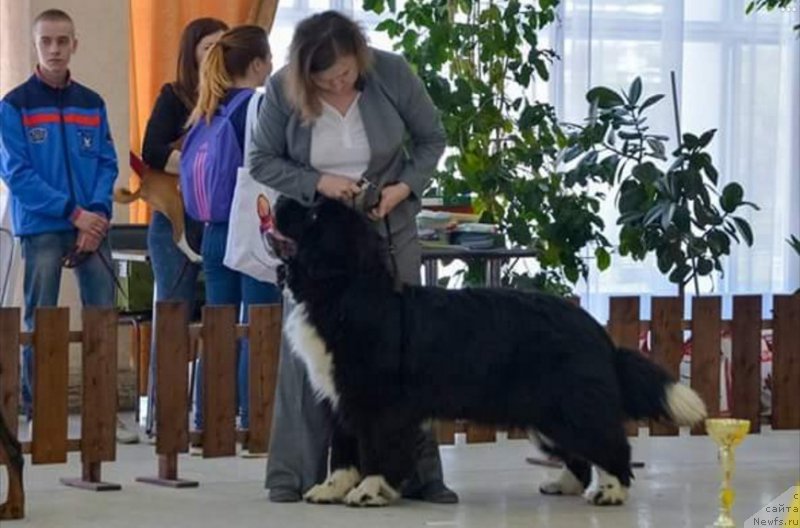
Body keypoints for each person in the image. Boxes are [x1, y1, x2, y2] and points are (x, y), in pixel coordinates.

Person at [250, 11, 458, 503]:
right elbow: (261, 160)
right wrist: (319, 183)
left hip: (389, 231)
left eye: (345, 73)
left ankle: (419, 475)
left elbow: (432, 139)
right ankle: (295, 475)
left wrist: (404, 188)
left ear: (359, 55)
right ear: (305, 75)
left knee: (403, 359)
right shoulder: (282, 91)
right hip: (318, 243)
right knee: (311, 361)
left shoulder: (392, 73)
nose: (339, 83)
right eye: (326, 80)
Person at [0, 9, 137, 443]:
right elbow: (17, 173)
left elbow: (106, 162)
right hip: (43, 225)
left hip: (93, 225)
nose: (55, 49)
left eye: (63, 41)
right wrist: (71, 213)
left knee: (101, 314)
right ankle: (40, 408)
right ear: (36, 45)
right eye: (47, 42)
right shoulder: (14, 106)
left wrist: (95, 215)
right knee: (43, 315)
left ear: (75, 44)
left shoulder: (91, 103)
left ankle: (105, 410)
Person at [182, 25, 281, 437]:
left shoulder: (208, 109)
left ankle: (210, 417)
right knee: (259, 323)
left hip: (213, 231)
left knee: (219, 325)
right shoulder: (255, 107)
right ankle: (252, 415)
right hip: (252, 228)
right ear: (258, 64)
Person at [140, 16, 229, 440]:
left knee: (220, 315)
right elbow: (151, 151)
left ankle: (212, 413)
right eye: (208, 46)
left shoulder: (237, 99)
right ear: (192, 52)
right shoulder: (174, 96)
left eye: (223, 46)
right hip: (174, 219)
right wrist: (199, 160)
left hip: (218, 220)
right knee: (172, 312)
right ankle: (166, 415)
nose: (215, 53)